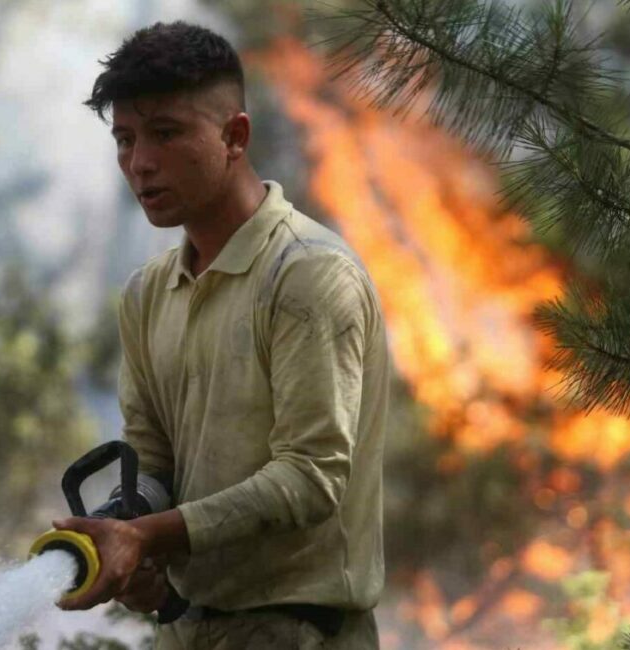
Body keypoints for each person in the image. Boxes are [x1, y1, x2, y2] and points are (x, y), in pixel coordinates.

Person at [52, 20, 390, 649]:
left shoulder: (308, 275)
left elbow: (312, 477)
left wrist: (150, 537)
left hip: (300, 632)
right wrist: (128, 531)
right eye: (124, 138)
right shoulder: (149, 293)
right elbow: (152, 463)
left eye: (166, 133)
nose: (139, 162)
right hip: (186, 631)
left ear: (235, 136)